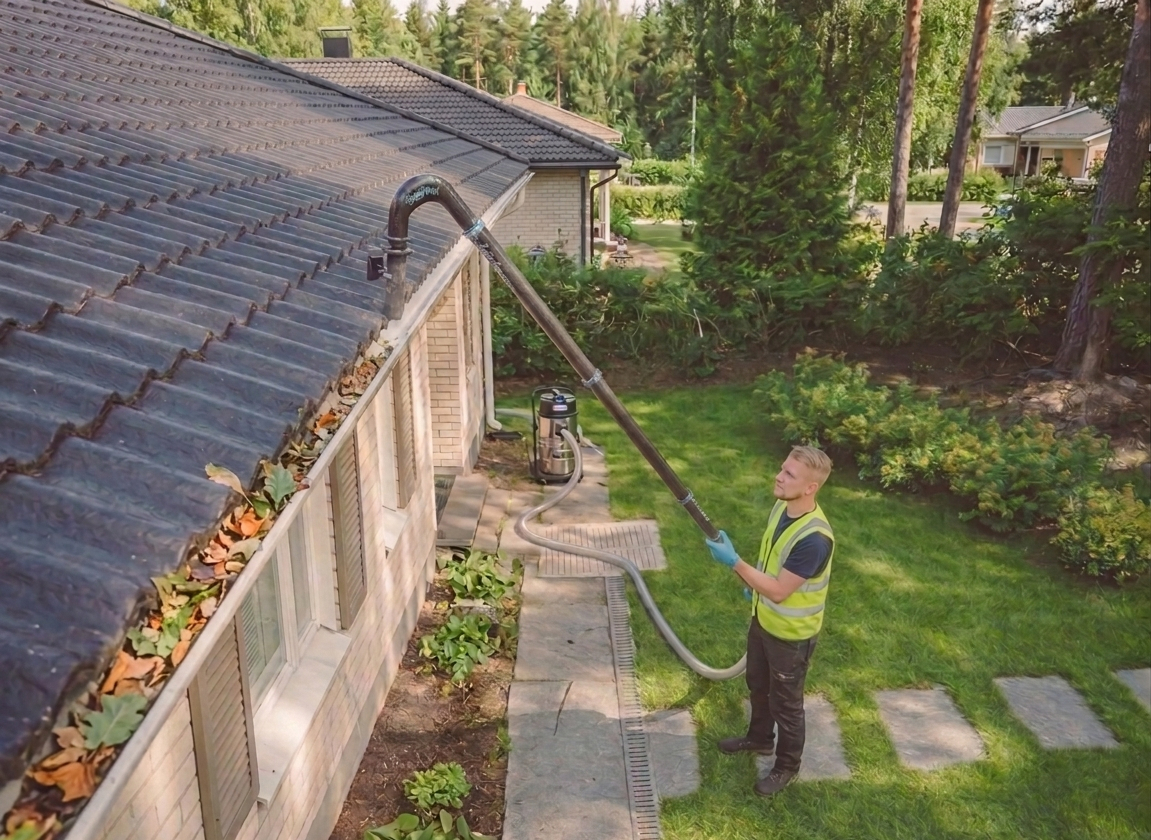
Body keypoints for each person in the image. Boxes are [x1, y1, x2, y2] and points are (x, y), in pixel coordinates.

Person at [705, 445, 834, 797]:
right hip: (763, 620)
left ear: (811, 488)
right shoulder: (782, 507)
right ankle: (760, 739)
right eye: (782, 468)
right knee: (757, 683)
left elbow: (779, 591)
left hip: (791, 637)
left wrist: (735, 563)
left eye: (789, 475)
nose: (779, 476)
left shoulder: (815, 540)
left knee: (787, 704)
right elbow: (772, 568)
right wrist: (754, 586)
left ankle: (787, 766)